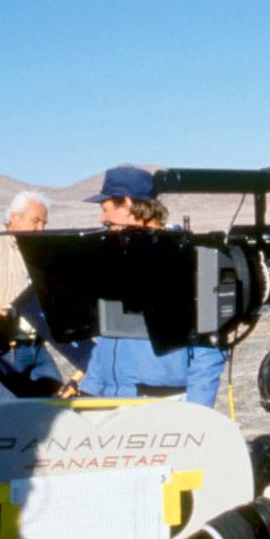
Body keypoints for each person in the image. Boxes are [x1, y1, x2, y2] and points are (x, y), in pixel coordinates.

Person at [78, 166, 225, 406]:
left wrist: (198, 414)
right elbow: (108, 333)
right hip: (110, 400)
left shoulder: (186, 259)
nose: (102, 219)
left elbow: (208, 348)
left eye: (105, 209)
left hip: (159, 402)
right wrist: (90, 390)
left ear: (127, 203)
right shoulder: (116, 258)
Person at [0, 191, 62, 398]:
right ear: (14, 216)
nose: (41, 229)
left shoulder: (39, 253)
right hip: (3, 349)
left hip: (37, 347)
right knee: (15, 416)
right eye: (35, 221)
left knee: (57, 408)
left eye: (44, 223)